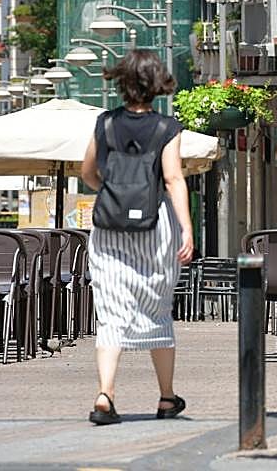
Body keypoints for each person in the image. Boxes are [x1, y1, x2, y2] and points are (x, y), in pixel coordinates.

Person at [81, 50, 195, 425]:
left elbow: (88, 173)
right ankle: (165, 397)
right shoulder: (167, 128)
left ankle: (105, 393)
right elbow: (173, 178)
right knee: (157, 308)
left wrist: (113, 191)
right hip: (154, 226)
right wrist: (187, 228)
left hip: (109, 229)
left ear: (122, 81)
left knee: (111, 311)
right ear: (156, 83)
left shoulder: (106, 124)